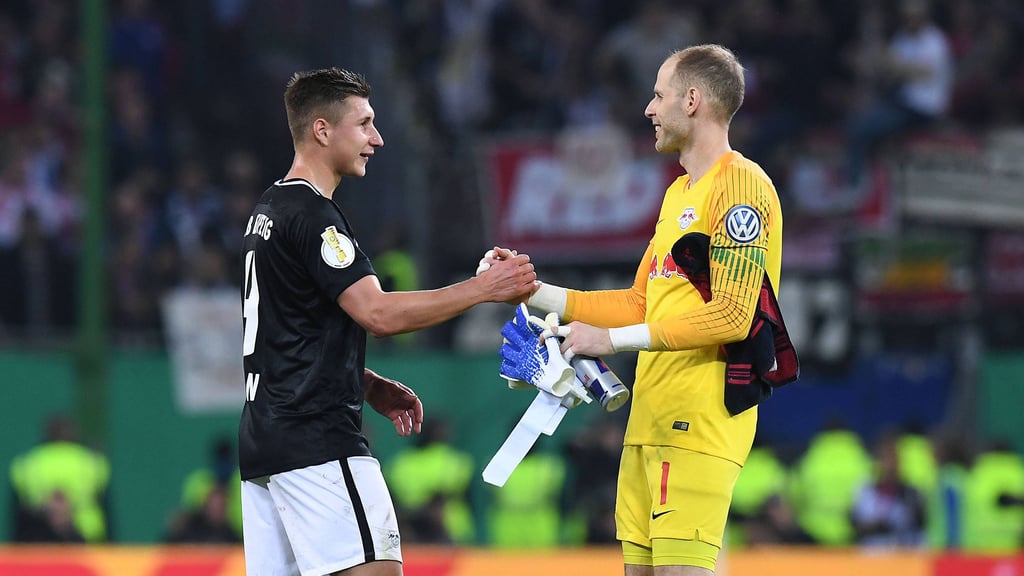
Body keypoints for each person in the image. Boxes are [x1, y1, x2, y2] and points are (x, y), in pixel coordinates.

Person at [485, 44, 788, 575]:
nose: (649, 109)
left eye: (658, 95)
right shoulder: (677, 195)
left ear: (692, 100)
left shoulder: (741, 186)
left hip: (698, 420)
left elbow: (734, 316)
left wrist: (613, 341)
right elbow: (635, 302)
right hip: (647, 419)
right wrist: (526, 289)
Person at [238, 67, 537, 576]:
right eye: (365, 123)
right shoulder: (313, 216)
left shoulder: (267, 210)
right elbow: (377, 313)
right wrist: (484, 289)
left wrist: (364, 380)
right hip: (317, 441)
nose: (376, 138)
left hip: (266, 444)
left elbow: (279, 336)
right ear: (322, 130)